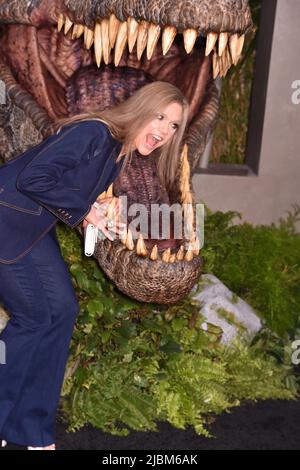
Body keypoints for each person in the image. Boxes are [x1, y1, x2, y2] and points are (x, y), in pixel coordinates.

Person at [0, 81, 189, 450]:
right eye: (161, 117)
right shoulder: (94, 133)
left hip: (31, 231)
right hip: (8, 226)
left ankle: (30, 429)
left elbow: (60, 191)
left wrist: (91, 215)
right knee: (35, 318)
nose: (165, 131)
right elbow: (33, 177)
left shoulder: (116, 152)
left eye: (174, 126)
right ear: (141, 109)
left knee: (64, 311)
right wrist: (85, 209)